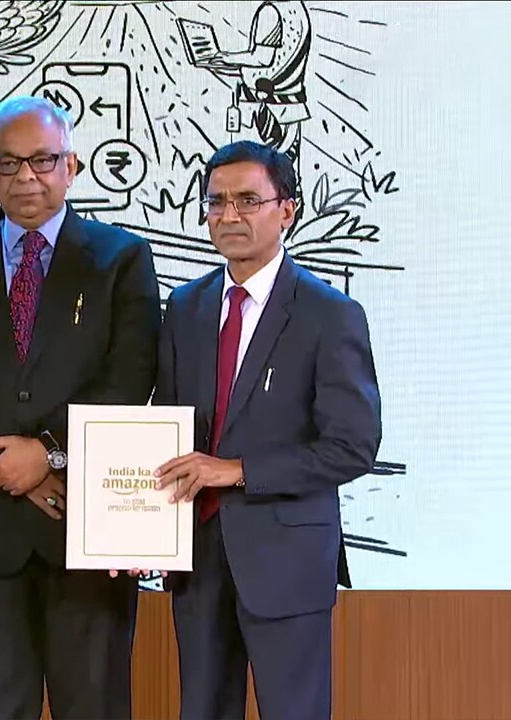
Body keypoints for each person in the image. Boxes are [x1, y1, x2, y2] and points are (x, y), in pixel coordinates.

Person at [0, 96, 162, 720]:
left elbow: (130, 378)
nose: (26, 177)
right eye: (9, 163)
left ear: (71, 166)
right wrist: (4, 463)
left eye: (43, 160)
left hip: (84, 526)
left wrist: (48, 453)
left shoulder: (121, 259)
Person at [150, 140, 381, 719]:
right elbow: (165, 427)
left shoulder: (329, 313)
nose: (229, 215)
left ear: (287, 210)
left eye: (248, 200)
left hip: (287, 560)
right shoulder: (185, 307)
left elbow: (353, 446)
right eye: (216, 202)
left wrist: (238, 471)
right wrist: (135, 529)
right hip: (198, 559)